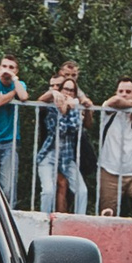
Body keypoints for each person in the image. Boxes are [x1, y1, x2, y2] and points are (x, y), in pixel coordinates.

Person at [95, 75, 132, 216]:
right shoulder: (109, 110)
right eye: (121, 91)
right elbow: (115, 101)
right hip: (110, 171)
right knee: (107, 213)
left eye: (128, 92)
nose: (124, 95)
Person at [33, 74, 85, 212]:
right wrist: (62, 111)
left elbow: (74, 128)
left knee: (82, 191)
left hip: (66, 158)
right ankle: (43, 221)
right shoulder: (52, 107)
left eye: (71, 90)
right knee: (48, 191)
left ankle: (79, 221)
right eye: (65, 89)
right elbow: (58, 130)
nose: (67, 93)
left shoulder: (75, 108)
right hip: (49, 155)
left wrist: (68, 110)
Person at [0, 54, 28, 199]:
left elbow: (24, 96)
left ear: (16, 71)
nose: (7, 70)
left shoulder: (19, 83)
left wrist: (15, 81)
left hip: (10, 142)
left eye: (11, 67)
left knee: (7, 188)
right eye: (4, 66)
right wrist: (13, 93)